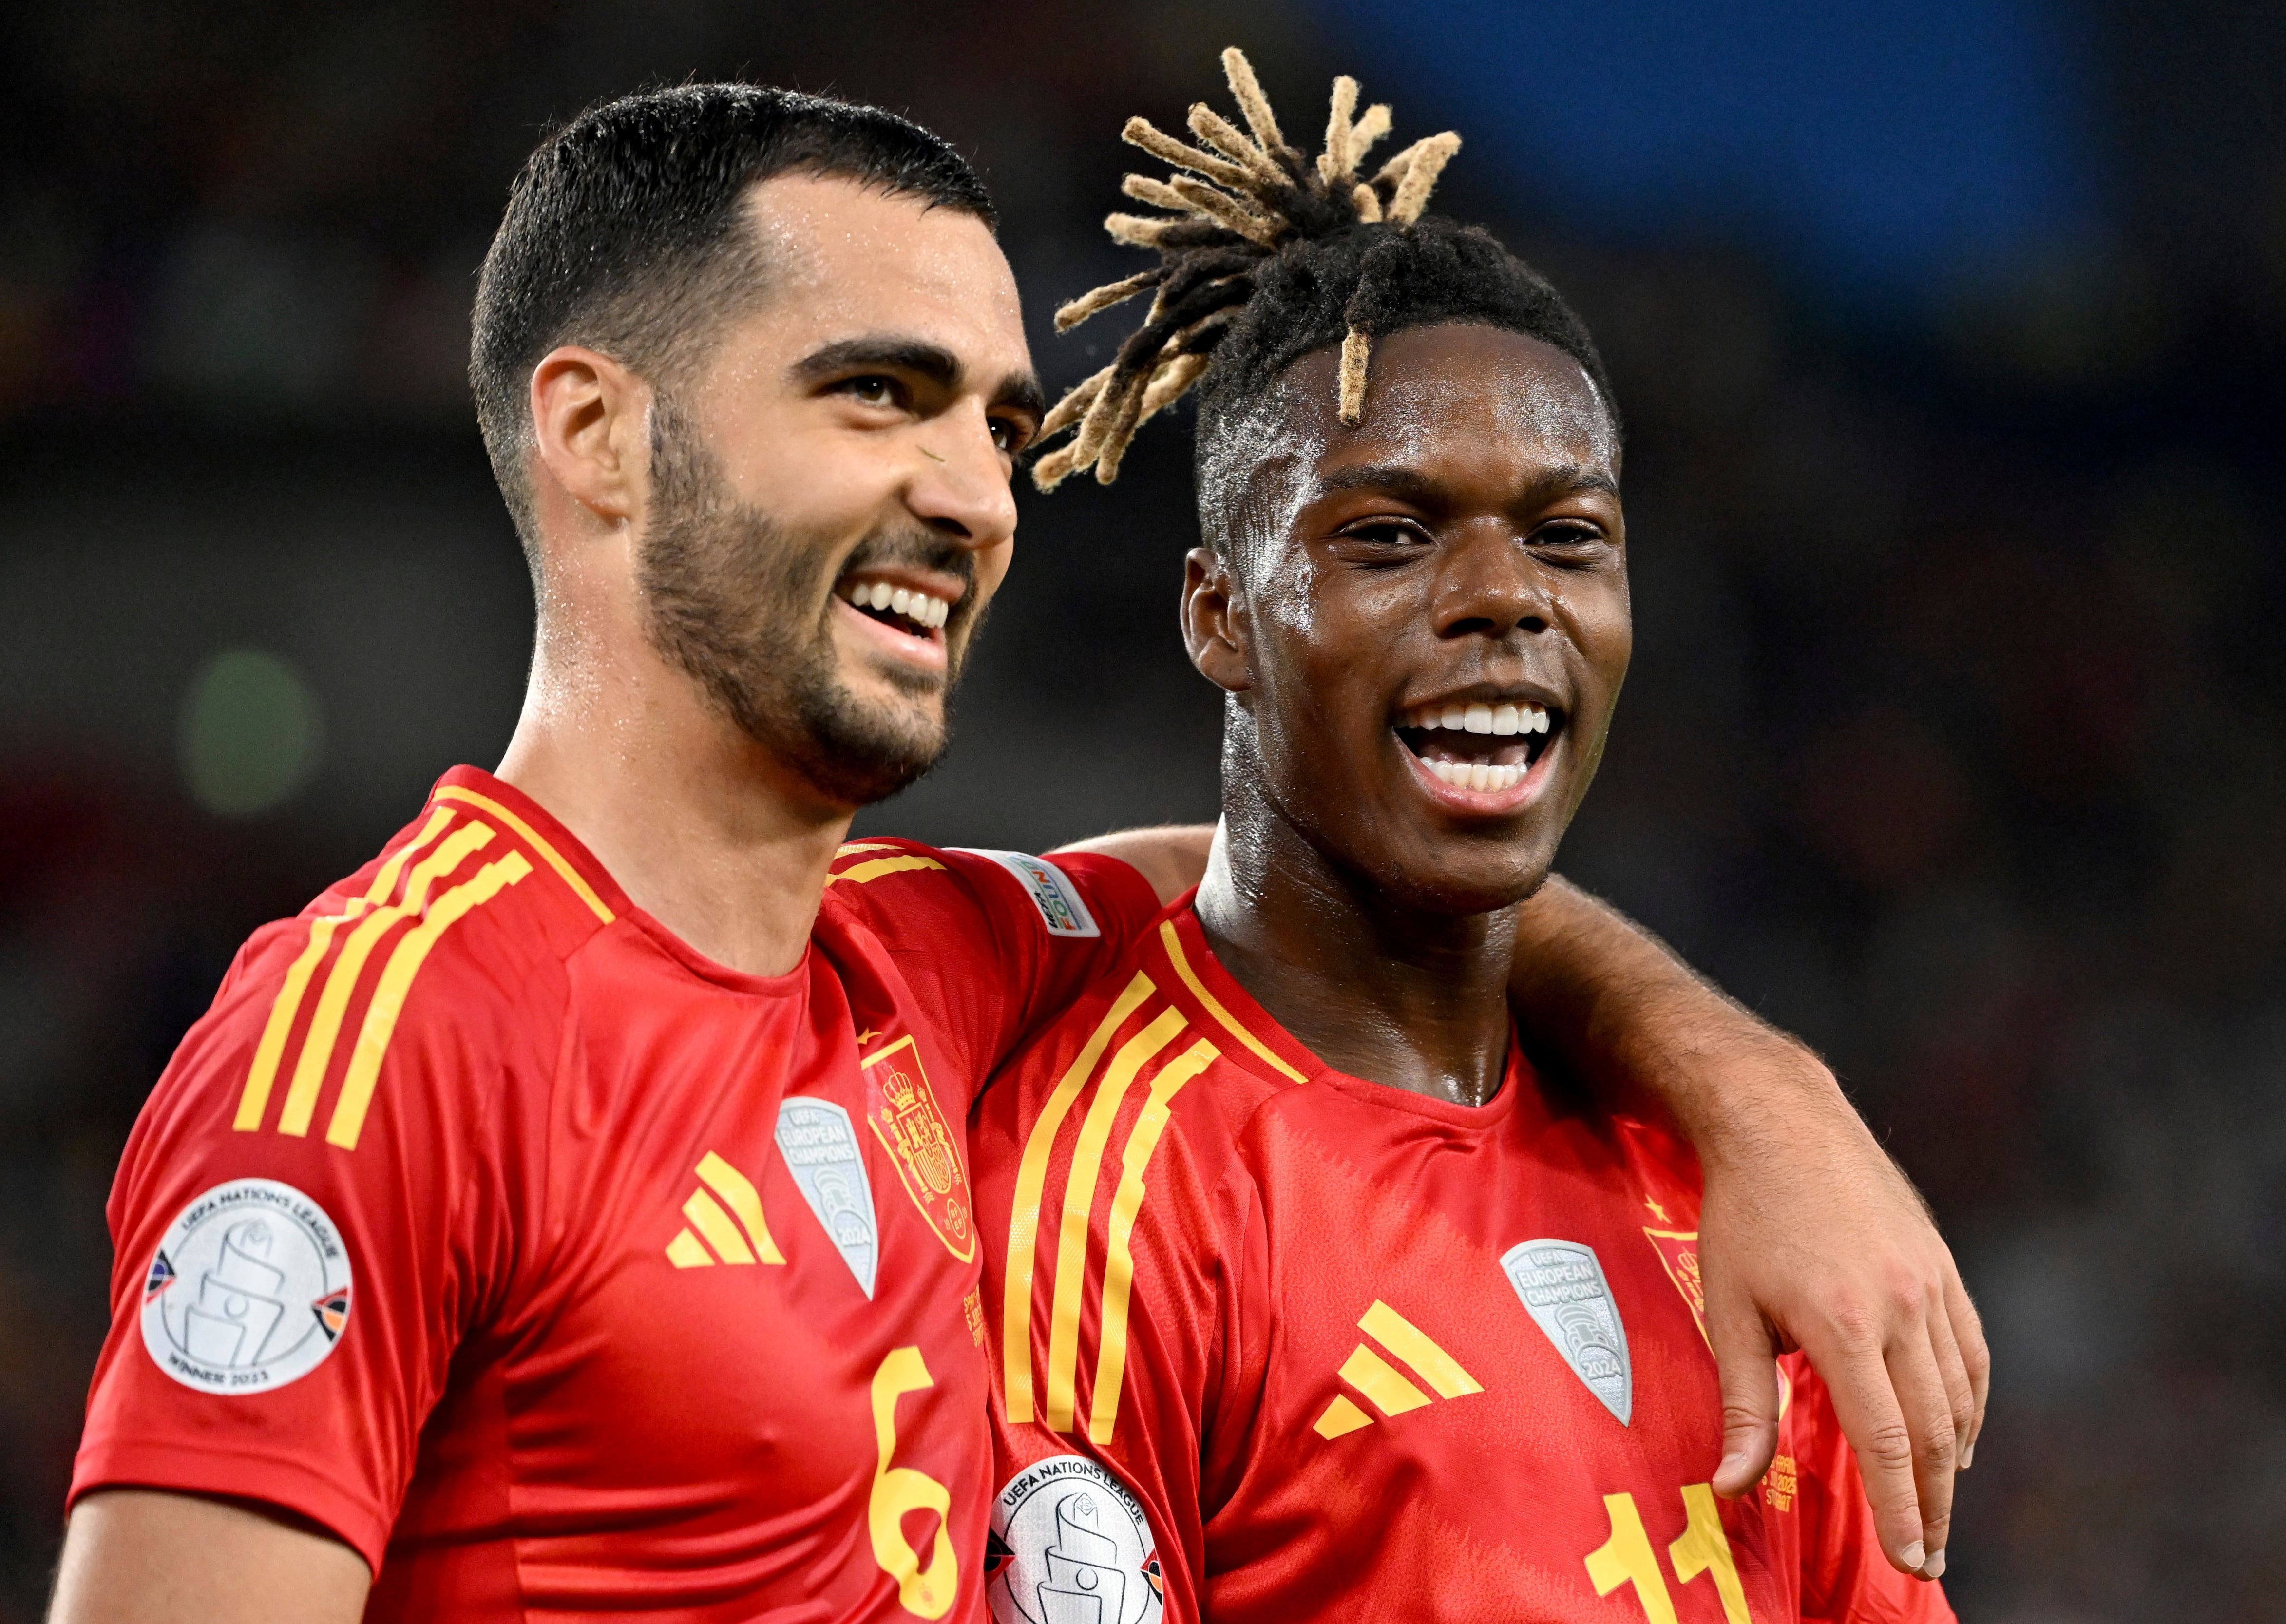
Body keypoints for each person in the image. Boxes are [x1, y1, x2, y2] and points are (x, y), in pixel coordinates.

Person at [49, 79, 1977, 1624]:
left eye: (999, 421)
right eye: (876, 395)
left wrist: (1760, 1096)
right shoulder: (389, 1033)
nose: (972, 493)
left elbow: (1370, 865)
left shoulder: (930, 964)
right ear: (597, 435)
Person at [976, 58, 1954, 1622]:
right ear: (1221, 615)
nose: (1508, 597)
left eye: (1571, 538)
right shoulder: (1109, 1190)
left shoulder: (1739, 1202)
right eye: (1389, 534)